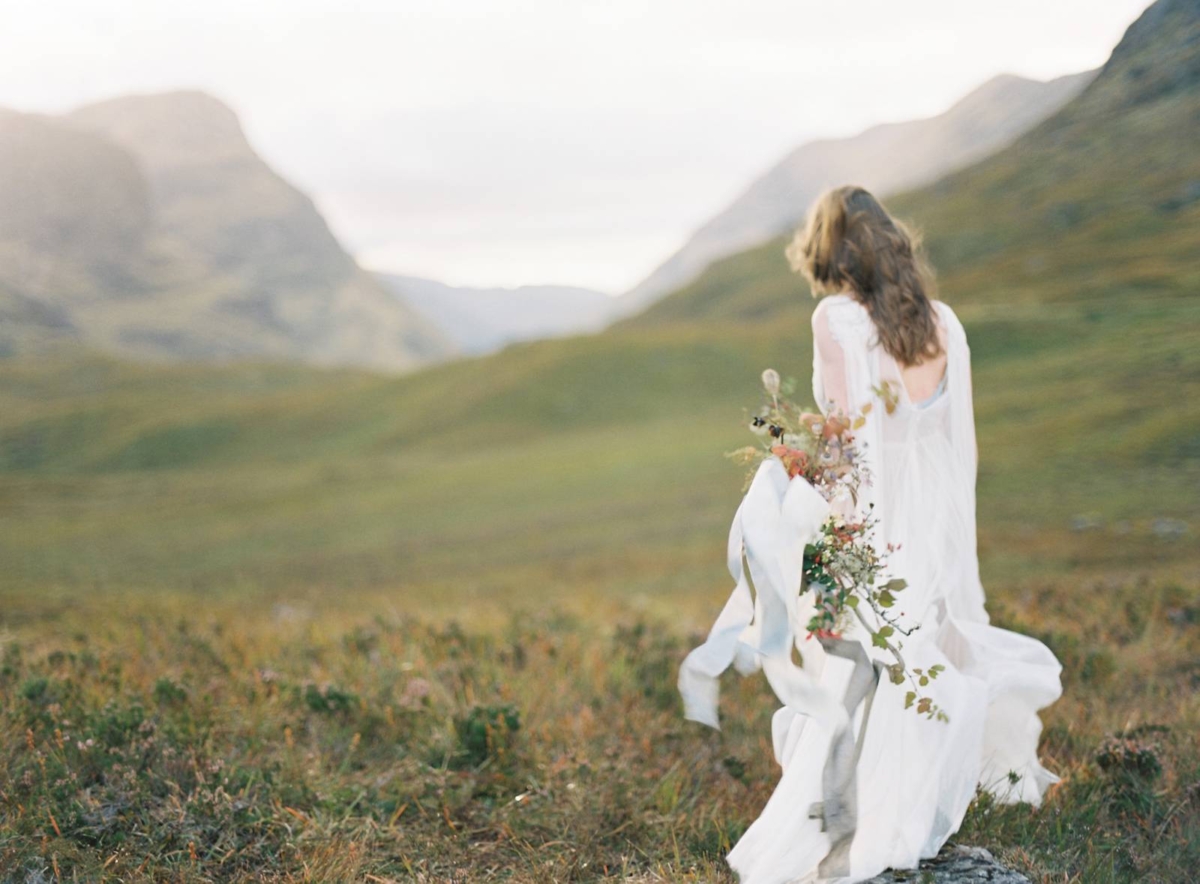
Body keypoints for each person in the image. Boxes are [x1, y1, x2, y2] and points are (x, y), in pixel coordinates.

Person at [680, 186, 1063, 884]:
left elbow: (847, 441)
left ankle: (854, 826)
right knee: (909, 659)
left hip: (873, 514)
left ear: (836, 254)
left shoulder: (839, 322)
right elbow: (955, 442)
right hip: (930, 514)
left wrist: (809, 501)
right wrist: (952, 547)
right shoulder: (945, 324)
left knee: (857, 667)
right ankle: (903, 815)